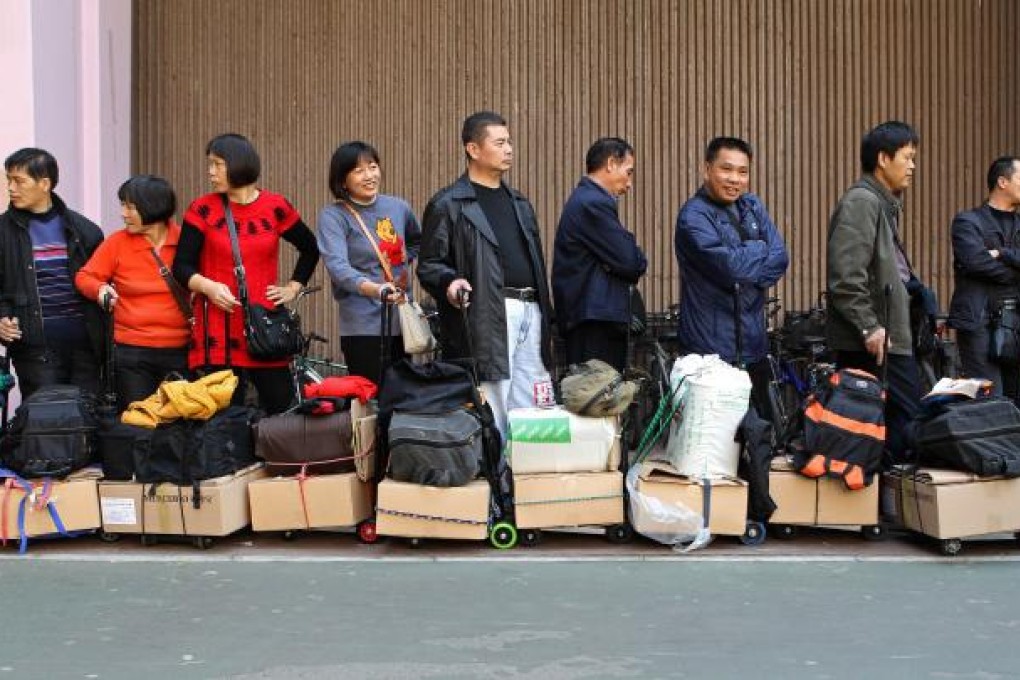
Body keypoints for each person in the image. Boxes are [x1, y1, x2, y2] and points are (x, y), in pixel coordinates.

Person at [418, 111, 555, 437]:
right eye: (500, 142)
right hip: (488, 311)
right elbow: (429, 264)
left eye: (509, 142)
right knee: (494, 393)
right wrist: (449, 282)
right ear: (473, 149)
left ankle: (528, 470)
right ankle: (495, 476)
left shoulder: (519, 202)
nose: (509, 149)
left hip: (530, 308)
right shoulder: (449, 204)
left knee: (534, 390)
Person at [172, 133, 320, 415]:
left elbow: (310, 248)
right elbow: (182, 266)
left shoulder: (276, 207)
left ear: (238, 164)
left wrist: (293, 287)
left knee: (282, 410)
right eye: (210, 164)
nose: (210, 171)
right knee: (222, 417)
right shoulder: (202, 209)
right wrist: (208, 287)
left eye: (217, 164)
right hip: (217, 325)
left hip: (264, 327)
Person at [826, 120, 923, 463]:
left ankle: (879, 503)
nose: (912, 166)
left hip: (887, 336)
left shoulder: (881, 204)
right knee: (903, 421)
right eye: (907, 157)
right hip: (876, 340)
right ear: (883, 159)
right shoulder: (862, 202)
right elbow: (846, 276)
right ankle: (880, 504)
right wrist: (869, 326)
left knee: (877, 428)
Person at [673, 136, 788, 411]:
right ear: (707, 169)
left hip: (754, 344)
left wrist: (745, 264)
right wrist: (759, 249)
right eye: (726, 169)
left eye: (743, 171)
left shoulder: (752, 206)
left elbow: (780, 258)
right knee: (717, 442)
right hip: (710, 349)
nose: (734, 179)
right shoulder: (694, 216)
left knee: (760, 437)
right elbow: (731, 267)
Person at [75, 175, 191, 410]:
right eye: (123, 206)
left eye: (131, 207)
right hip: (132, 353)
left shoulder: (186, 241)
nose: (124, 214)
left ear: (154, 207)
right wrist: (100, 288)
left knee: (181, 424)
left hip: (182, 351)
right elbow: (84, 277)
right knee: (138, 423)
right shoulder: (117, 243)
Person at [0, 148, 105, 399]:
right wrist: (2, 317)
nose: (11, 188)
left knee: (86, 422)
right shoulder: (2, 231)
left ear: (44, 183)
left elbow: (102, 283)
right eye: (9, 180)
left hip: (85, 349)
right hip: (34, 350)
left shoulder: (85, 231)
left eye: (19, 181)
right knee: (44, 423)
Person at [316, 141, 421, 384]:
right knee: (370, 401)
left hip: (403, 320)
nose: (369, 175)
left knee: (404, 398)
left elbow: (417, 240)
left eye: (372, 167)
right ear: (342, 180)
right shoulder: (334, 216)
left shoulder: (398, 207)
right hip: (363, 327)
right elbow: (338, 267)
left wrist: (405, 266)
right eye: (358, 170)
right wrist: (375, 289)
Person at [552, 137, 647, 373]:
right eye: (629, 171)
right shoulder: (593, 203)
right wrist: (633, 248)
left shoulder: (587, 199)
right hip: (594, 320)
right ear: (611, 163)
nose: (630, 183)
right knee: (596, 398)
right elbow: (631, 262)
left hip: (591, 317)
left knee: (597, 398)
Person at [948, 156, 1020, 399]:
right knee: (990, 402)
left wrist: (1002, 254)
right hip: (979, 323)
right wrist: (1015, 272)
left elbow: (985, 263)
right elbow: (975, 262)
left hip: (1016, 323)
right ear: (1002, 181)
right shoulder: (968, 222)